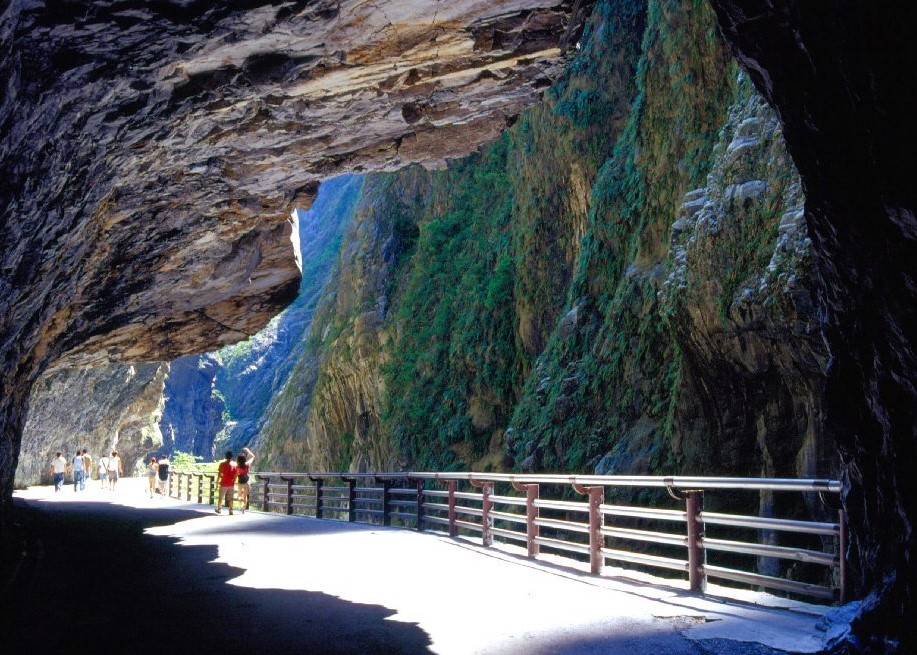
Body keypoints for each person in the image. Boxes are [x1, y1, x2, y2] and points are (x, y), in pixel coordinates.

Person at [215, 451, 237, 515]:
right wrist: (234, 481)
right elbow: (236, 474)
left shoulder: (222, 464)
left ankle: (219, 509)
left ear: (226, 456)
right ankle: (231, 510)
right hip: (231, 484)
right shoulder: (235, 465)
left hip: (223, 483)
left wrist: (217, 483)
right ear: (232, 457)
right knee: (231, 498)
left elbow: (219, 474)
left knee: (221, 497)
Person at [235, 447, 255, 514]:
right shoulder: (247, 464)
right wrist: (248, 451)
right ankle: (243, 508)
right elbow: (253, 456)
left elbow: (236, 473)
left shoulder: (237, 466)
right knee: (245, 496)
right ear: (245, 459)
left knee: (239, 496)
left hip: (240, 482)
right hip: (246, 481)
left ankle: (240, 502)